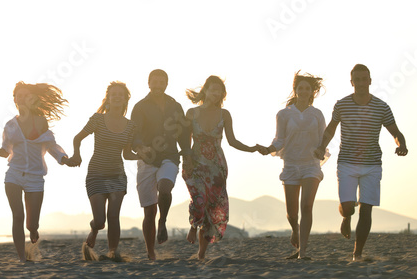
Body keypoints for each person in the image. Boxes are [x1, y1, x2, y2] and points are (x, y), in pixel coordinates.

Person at [314, 64, 408, 261]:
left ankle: (357, 253)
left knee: (366, 209)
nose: (361, 83)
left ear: (370, 81)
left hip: (372, 164)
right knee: (348, 206)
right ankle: (346, 216)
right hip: (347, 163)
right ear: (352, 82)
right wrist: (322, 146)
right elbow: (330, 129)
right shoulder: (342, 105)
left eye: (364, 79)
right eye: (357, 79)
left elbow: (395, 132)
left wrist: (401, 144)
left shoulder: (382, 107)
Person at [0, 81, 70, 262]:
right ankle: (21, 258)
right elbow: (5, 152)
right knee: (17, 215)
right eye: (19, 95)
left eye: (26, 95)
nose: (22, 98)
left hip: (35, 177)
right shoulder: (10, 125)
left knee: (31, 224)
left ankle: (33, 229)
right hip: (14, 174)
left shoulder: (40, 121)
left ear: (32, 98)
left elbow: (50, 145)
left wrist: (63, 159)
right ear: (14, 99)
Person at [183, 75, 259, 260]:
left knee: (212, 208)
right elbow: (185, 140)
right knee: (199, 198)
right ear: (205, 90)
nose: (216, 93)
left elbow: (232, 141)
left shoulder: (224, 115)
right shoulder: (191, 113)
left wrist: (252, 149)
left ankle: (201, 253)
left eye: (219, 91)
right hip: (196, 163)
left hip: (217, 166)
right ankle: (193, 226)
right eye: (213, 89)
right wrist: (187, 160)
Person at [258, 71, 327, 260]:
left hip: (311, 165)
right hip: (290, 165)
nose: (304, 91)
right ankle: (295, 230)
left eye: (307, 88)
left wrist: (321, 150)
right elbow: (280, 140)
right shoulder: (284, 114)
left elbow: (323, 140)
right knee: (291, 213)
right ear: (295, 91)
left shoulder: (318, 114)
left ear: (312, 91)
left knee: (306, 206)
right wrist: (269, 148)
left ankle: (302, 252)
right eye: (300, 88)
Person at [67, 82, 138, 259]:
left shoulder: (130, 126)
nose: (116, 97)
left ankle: (113, 252)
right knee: (100, 221)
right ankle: (94, 230)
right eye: (113, 94)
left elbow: (127, 153)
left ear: (125, 99)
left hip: (117, 176)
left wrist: (143, 156)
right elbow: (78, 138)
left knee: (113, 216)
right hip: (96, 175)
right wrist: (77, 154)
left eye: (120, 94)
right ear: (108, 98)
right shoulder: (97, 119)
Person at [130, 69, 191, 260]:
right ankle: (150, 252)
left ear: (166, 83)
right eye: (154, 82)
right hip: (147, 159)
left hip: (170, 156)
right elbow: (135, 133)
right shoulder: (140, 107)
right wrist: (140, 147)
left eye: (161, 82)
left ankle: (163, 221)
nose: (157, 85)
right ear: (148, 83)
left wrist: (187, 153)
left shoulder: (175, 106)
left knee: (165, 188)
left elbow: (183, 133)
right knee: (149, 211)